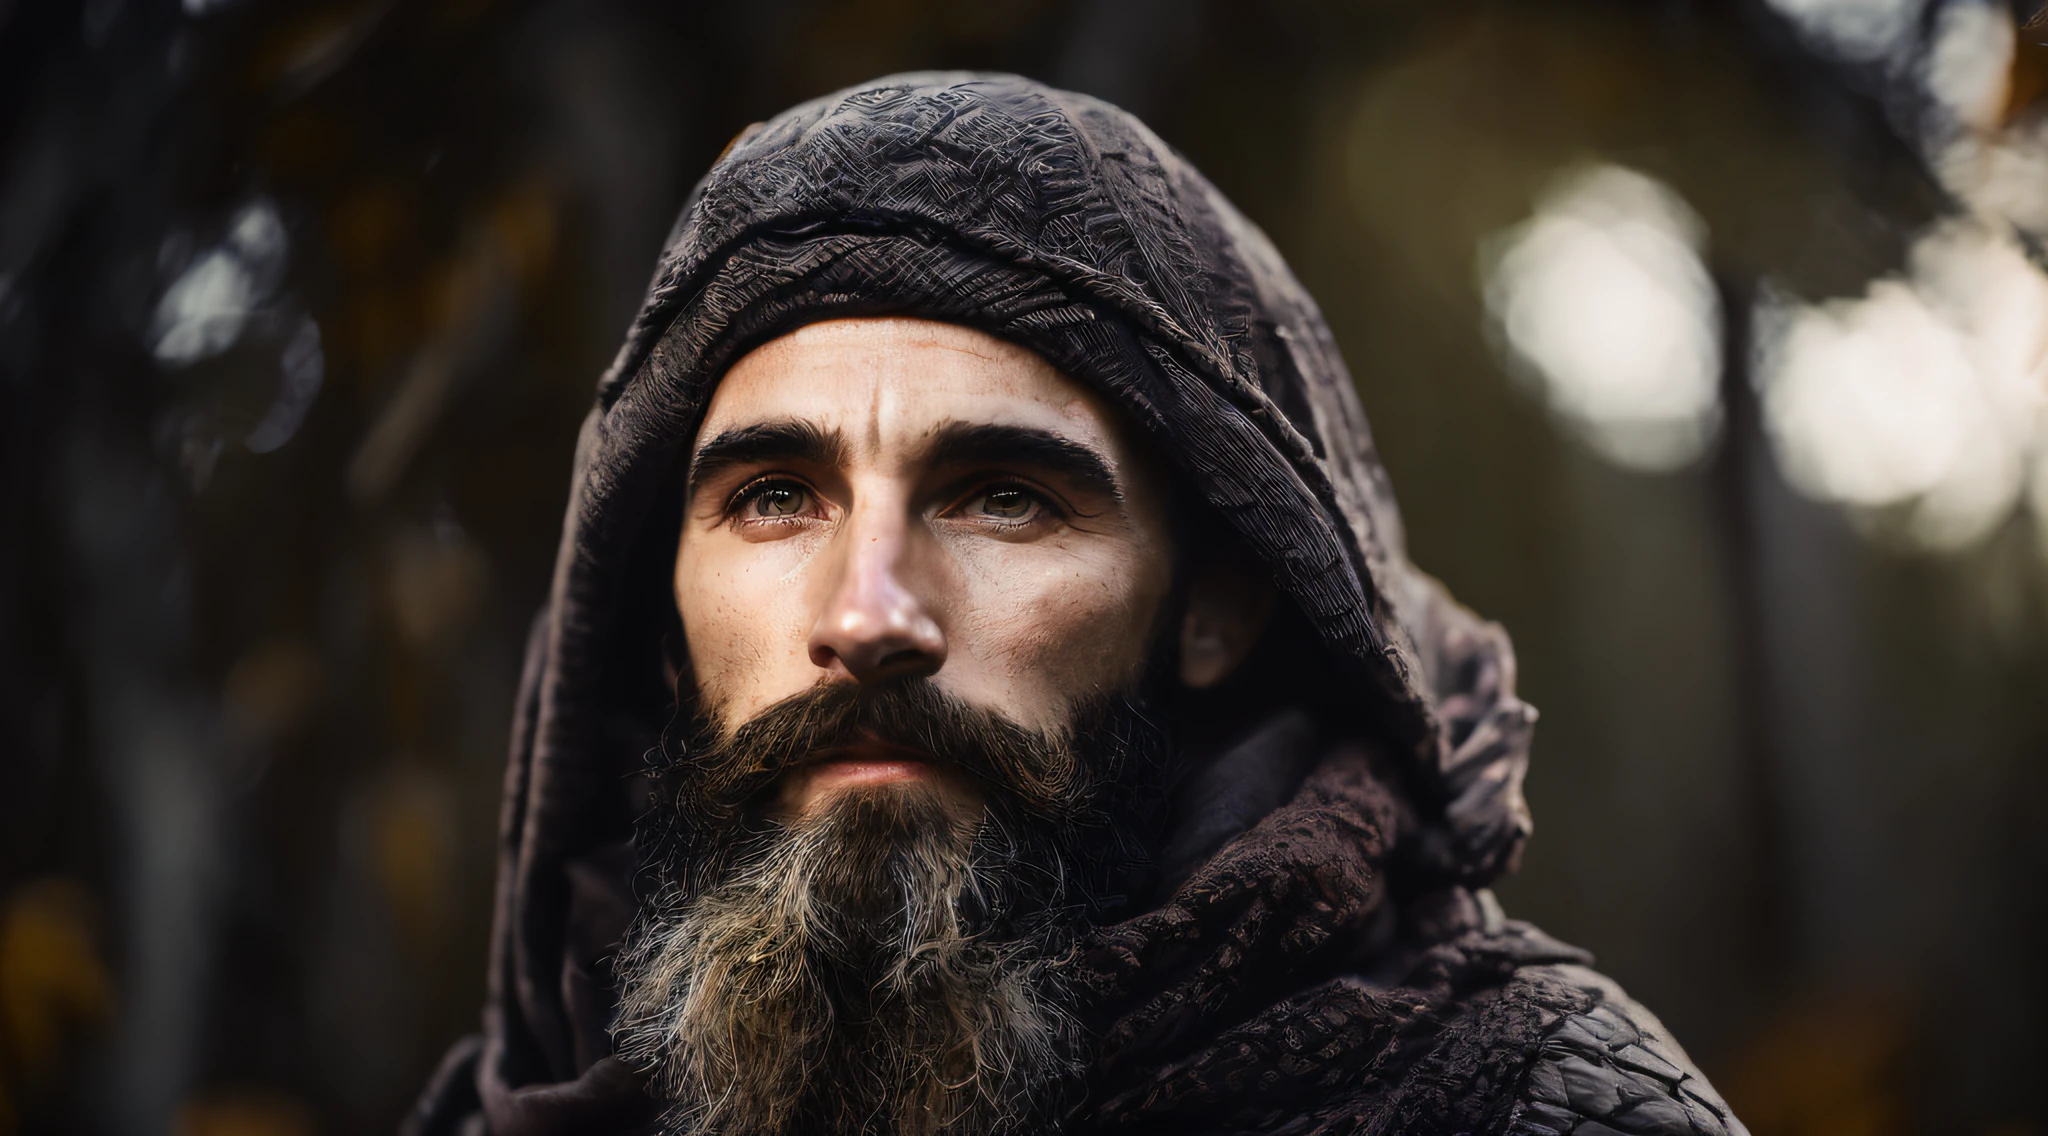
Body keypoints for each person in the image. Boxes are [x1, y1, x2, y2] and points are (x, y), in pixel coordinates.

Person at [405, 72, 1747, 1136]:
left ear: (1220, 601)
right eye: (773, 498)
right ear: (658, 614)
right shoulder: (514, 1107)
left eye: (1002, 498)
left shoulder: (1530, 1101)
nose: (871, 615)